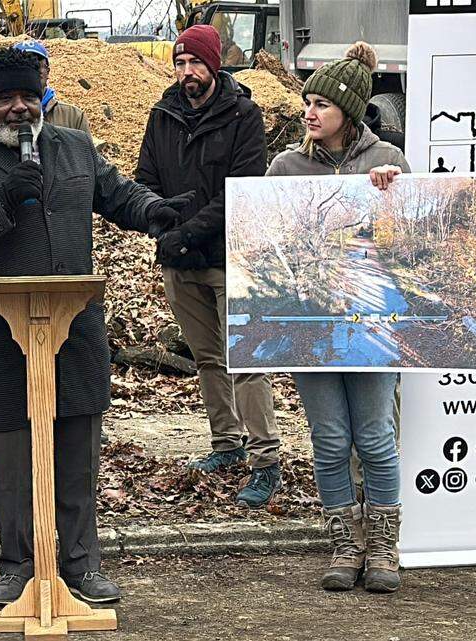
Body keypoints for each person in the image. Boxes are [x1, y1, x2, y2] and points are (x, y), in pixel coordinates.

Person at [0, 47, 189, 607]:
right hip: (1, 338)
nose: (18, 108)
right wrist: (1, 202)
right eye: (4, 98)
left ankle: (81, 563)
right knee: (15, 455)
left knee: (77, 448)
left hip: (75, 331)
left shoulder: (73, 147)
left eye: (27, 96)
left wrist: (156, 211)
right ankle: (19, 563)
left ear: (41, 96)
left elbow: (119, 195)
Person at [266, 41, 410, 594]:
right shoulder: (284, 166)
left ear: (347, 111)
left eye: (321, 104)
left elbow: (415, 245)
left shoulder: (388, 161)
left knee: (374, 436)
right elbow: (266, 242)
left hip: (374, 327)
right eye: (307, 101)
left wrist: (391, 198)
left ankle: (383, 546)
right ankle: (343, 546)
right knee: (328, 440)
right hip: (311, 326)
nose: (309, 111)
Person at [135, 24, 281, 508]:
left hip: (231, 256)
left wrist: (185, 233)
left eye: (194, 62)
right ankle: (226, 443)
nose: (186, 72)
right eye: (179, 63)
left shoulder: (244, 116)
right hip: (178, 260)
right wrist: (163, 229)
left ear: (213, 64)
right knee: (207, 358)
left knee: (247, 361)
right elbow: (146, 179)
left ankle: (266, 461)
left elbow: (240, 192)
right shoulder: (162, 115)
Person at [12, 40, 91, 135]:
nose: (31, 71)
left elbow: (84, 149)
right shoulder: (1, 114)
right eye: (24, 64)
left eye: (37, 65)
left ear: (47, 71)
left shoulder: (73, 116)